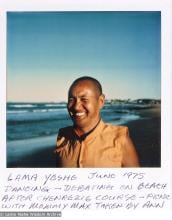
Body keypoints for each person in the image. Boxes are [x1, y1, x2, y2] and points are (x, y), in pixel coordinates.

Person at [55, 76, 139, 167]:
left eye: (84, 99)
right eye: (71, 100)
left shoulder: (119, 139)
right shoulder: (63, 137)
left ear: (101, 101)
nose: (76, 107)